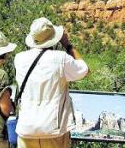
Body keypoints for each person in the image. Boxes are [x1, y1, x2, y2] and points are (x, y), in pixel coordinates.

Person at [13, 17, 89, 148]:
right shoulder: (61, 58)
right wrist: (67, 44)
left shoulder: (19, 59)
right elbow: (84, 70)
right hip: (54, 130)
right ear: (54, 38)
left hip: (26, 129)